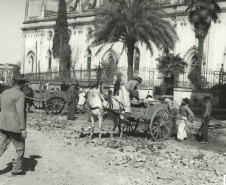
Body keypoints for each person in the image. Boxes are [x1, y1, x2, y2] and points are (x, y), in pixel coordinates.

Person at [0, 74, 28, 176]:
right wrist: (23, 128)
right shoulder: (20, 94)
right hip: (14, 125)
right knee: (20, 148)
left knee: (1, 147)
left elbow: (1, 107)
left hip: (3, 123)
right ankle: (17, 169)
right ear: (22, 84)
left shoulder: (4, 92)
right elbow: (20, 112)